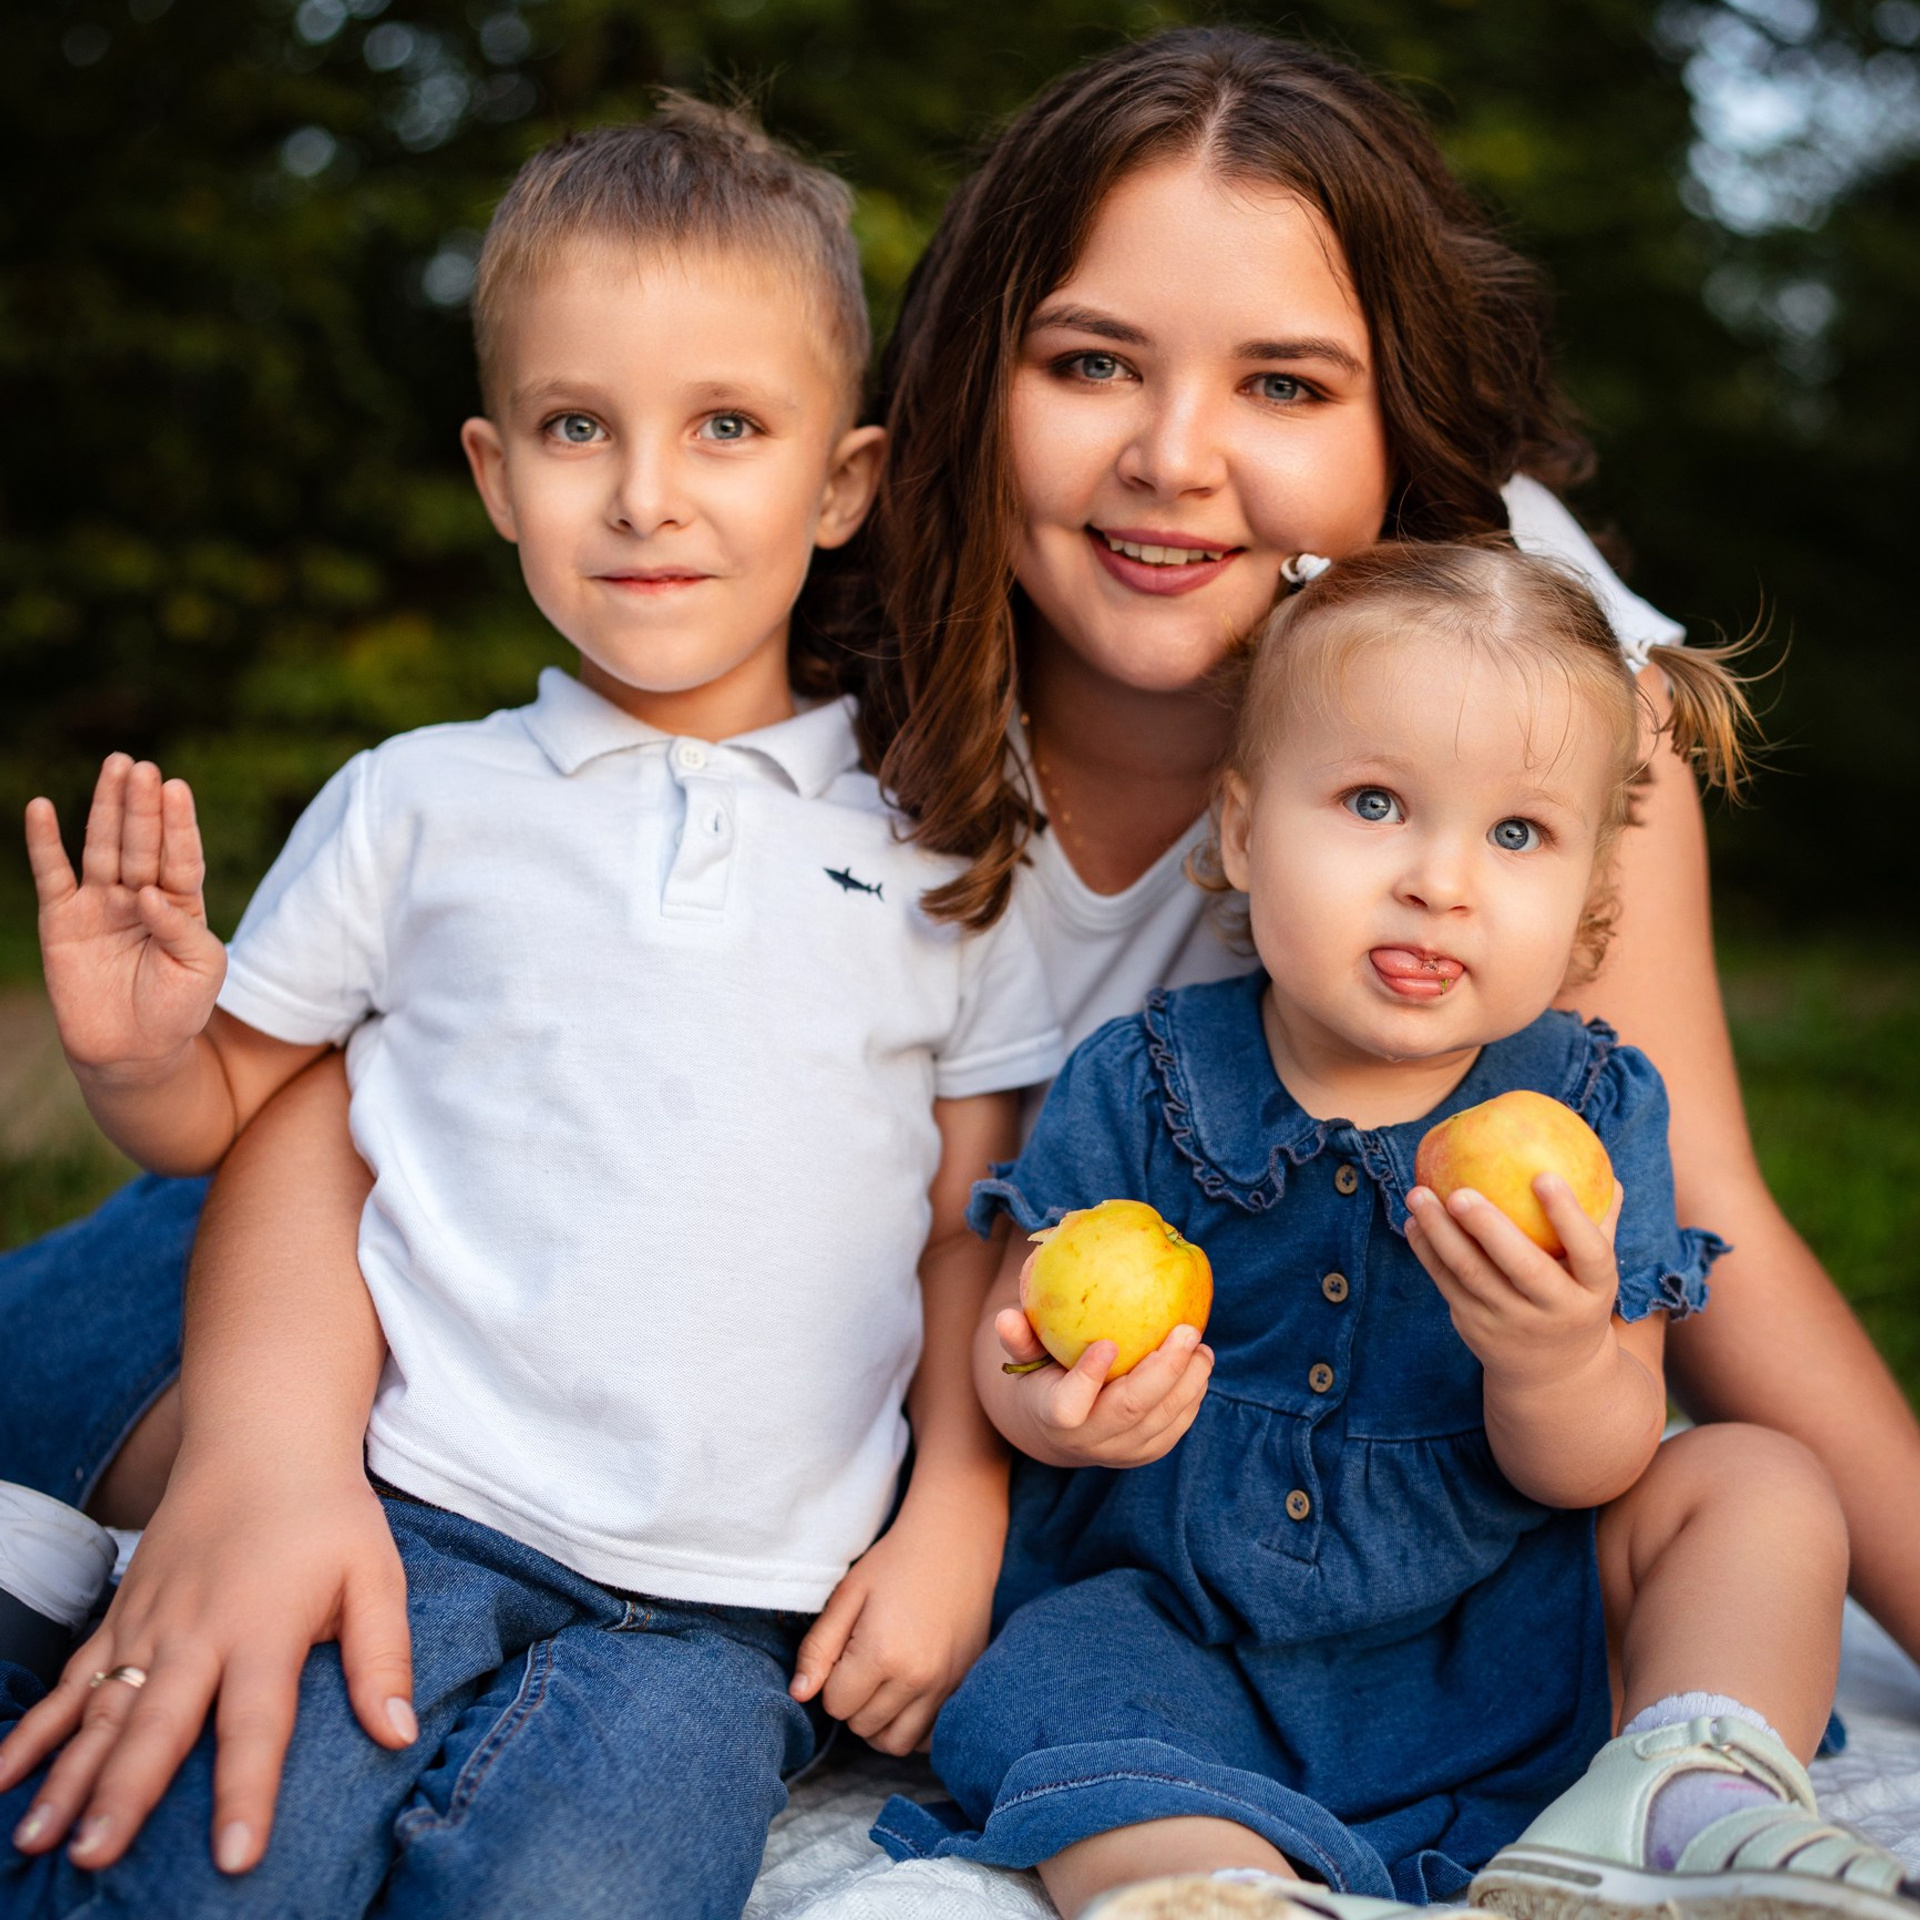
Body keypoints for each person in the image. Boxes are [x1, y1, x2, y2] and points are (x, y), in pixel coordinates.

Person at [6, 15, 1919, 1895]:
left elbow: (1712, 1205)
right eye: (1090, 362)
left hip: (882, 1372)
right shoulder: (800, 596)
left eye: (1287, 386)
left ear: (1402, 423)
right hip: (430, 1257)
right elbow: (379, 1061)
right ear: (956, 390)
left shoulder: (1513, 693)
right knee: (242, 1569)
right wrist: (271, 1458)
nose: (1177, 458)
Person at [0, 101, 1063, 1915]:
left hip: (734, 1622)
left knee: (575, 1889)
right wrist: (141, 1053)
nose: (647, 493)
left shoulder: (944, 853)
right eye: (582, 429)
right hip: (405, 1508)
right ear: (497, 475)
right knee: (212, 1855)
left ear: (842, 484)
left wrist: (957, 1514)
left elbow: (980, 1218)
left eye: (727, 427)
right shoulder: (420, 803)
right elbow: (236, 1115)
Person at [877, 541, 1916, 1920]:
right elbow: (1017, 1350)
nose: (1442, 880)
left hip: (1507, 1629)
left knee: (1760, 1485)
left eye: (1518, 835)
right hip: (1187, 1624)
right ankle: (1202, 1883)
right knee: (1064, 1685)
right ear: (1240, 832)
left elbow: (1594, 1462)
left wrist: (1554, 1363)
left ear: (1594, 892)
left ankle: (1684, 1790)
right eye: (1375, 803)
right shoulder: (1144, 1082)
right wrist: (1062, 1419)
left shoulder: (1589, 1110)